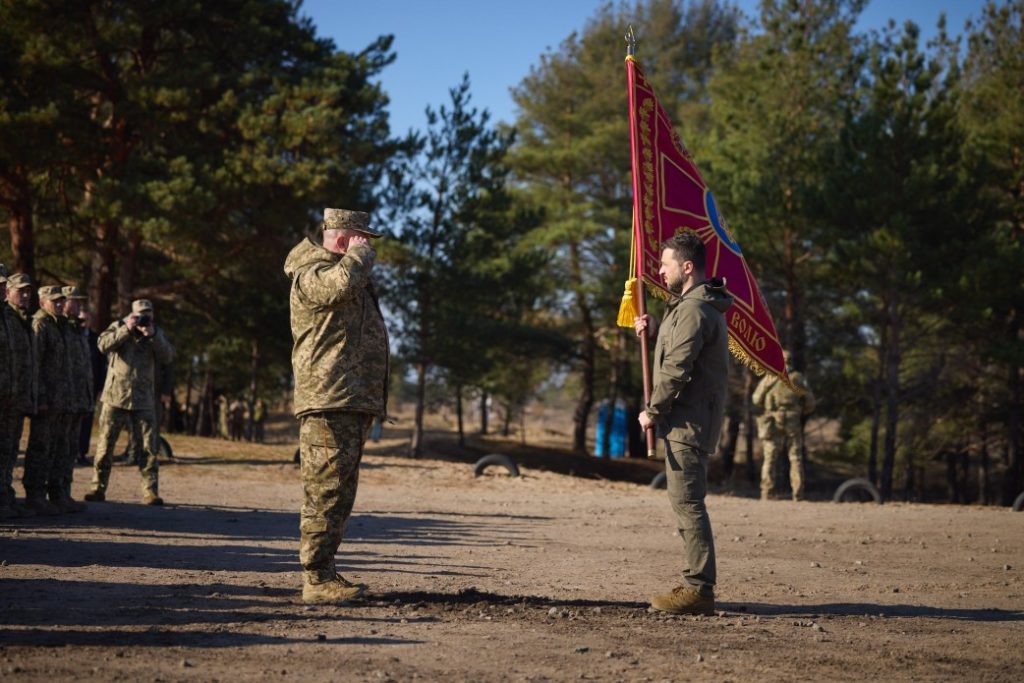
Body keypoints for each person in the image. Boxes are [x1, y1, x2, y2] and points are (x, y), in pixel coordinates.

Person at [284, 207, 389, 604]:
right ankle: (315, 578)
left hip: (348, 397)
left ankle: (325, 571)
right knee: (325, 491)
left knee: (340, 491)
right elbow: (335, 288)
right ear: (344, 237)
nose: (368, 247)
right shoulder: (311, 272)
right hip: (327, 397)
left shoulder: (341, 270)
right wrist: (358, 257)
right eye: (363, 238)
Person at [635, 232, 732, 616]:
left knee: (689, 503)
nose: (659, 270)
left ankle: (699, 590)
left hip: (688, 424)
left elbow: (678, 368)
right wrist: (656, 332)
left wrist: (653, 410)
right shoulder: (690, 307)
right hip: (688, 422)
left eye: (666, 264)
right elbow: (678, 352)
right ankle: (697, 584)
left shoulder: (694, 310)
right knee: (686, 502)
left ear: (687, 267)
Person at [85, 299, 175, 505]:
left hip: (143, 399)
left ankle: (150, 491)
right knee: (105, 446)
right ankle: (97, 488)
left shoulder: (155, 333)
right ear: (131, 314)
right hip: (115, 397)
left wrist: (152, 336)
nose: (144, 317)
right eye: (140, 313)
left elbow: (168, 356)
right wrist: (126, 329)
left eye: (148, 313)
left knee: (148, 448)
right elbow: (102, 345)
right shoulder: (118, 327)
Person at [23, 285, 73, 515]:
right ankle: (34, 496)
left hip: (60, 400)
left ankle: (54, 495)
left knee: (55, 448)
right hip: (46, 401)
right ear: (43, 302)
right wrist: (39, 397)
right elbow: (36, 365)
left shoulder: (58, 324)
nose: (60, 304)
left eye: (62, 301)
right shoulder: (40, 324)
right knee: (40, 448)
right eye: (55, 301)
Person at [753, 351, 816, 501]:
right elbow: (810, 403)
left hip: (772, 420)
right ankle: (798, 494)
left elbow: (756, 399)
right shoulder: (798, 378)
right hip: (792, 420)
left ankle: (766, 493)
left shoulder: (769, 378)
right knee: (795, 457)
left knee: (769, 457)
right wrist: (799, 412)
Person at [0, 273, 37, 518]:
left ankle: (5, 498)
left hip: (11, 397)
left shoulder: (11, 318)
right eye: (17, 290)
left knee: (9, 450)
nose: (2, 290)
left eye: (4, 285)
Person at [52, 286, 92, 512]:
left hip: (76, 399)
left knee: (69, 449)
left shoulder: (77, 330)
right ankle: (53, 494)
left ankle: (63, 493)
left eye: (80, 302)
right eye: (74, 302)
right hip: (61, 399)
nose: (78, 306)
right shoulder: (59, 328)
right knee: (54, 448)